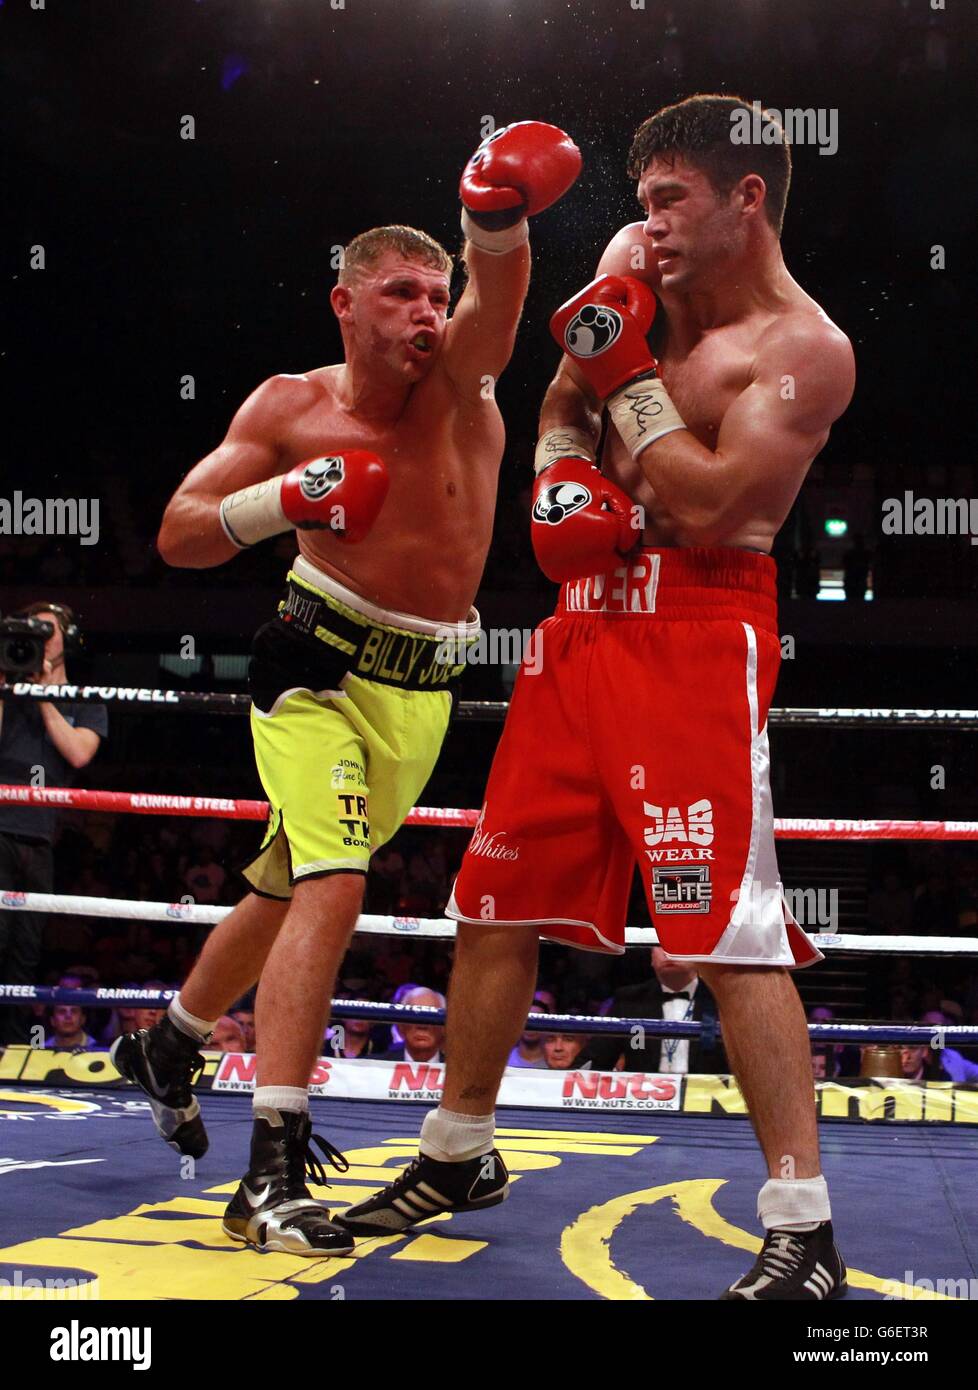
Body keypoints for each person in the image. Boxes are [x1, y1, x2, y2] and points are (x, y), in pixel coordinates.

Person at [340, 95, 856, 1303]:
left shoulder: (804, 350)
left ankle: (804, 1225)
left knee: (729, 932)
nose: (645, 224)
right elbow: (559, 400)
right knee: (494, 895)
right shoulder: (633, 265)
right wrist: (567, 477)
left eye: (671, 198)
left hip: (701, 625)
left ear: (748, 197)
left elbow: (718, 499)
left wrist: (628, 383)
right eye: (642, 199)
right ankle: (457, 1153)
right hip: (580, 627)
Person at [110, 121, 581, 1257]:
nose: (427, 314)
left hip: (422, 690)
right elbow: (178, 534)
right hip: (309, 662)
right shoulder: (286, 407)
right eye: (403, 294)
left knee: (281, 885)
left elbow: (498, 306)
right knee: (330, 878)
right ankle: (271, 1166)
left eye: (436, 292)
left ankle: (173, 1040)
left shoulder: (460, 383)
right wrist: (286, 500)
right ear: (345, 304)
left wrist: (496, 218)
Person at [0, 604, 106, 1044]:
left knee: (25, 952)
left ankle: (9, 1049)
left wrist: (41, 694)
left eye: (49, 628)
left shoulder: (85, 698)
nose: (41, 635)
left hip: (40, 838)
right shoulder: (6, 685)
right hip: (0, 829)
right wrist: (8, 686)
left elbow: (79, 753)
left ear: (69, 637)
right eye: (32, 628)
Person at [576, 947, 726, 1074]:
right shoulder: (631, 1000)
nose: (669, 951)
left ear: (699, 957)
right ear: (651, 958)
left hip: (707, 1100)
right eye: (661, 944)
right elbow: (597, 1056)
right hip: (645, 1101)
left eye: (679, 942)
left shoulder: (722, 999)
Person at [381, 987, 446, 1063]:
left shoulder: (459, 1070)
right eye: (415, 1016)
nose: (422, 1026)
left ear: (443, 1028)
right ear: (401, 1026)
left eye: (430, 1017)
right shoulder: (374, 1067)